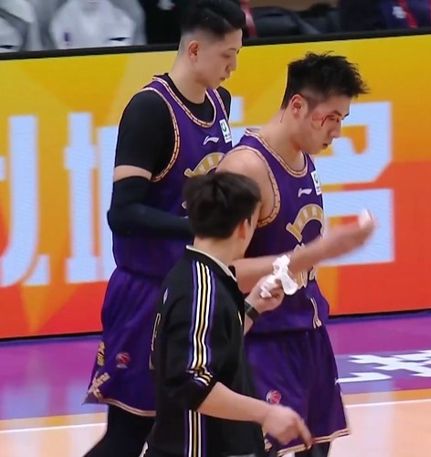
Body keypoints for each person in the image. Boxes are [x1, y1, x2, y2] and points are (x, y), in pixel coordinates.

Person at [84, 1, 246, 455]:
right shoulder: (150, 110)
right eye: (226, 56)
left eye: (237, 55)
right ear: (194, 50)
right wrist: (196, 228)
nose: (233, 67)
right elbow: (123, 213)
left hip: (195, 291)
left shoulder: (220, 103)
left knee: (192, 431)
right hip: (147, 294)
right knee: (129, 432)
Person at [217, 52, 374, 456]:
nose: (337, 130)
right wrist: (315, 253)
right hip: (261, 341)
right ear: (298, 106)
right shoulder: (245, 168)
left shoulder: (303, 157)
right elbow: (217, 271)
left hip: (309, 332)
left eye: (343, 118)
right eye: (332, 117)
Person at [145, 171, 312, 457]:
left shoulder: (195, 275)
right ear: (244, 226)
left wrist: (253, 307)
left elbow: (214, 345)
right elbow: (192, 382)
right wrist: (266, 413)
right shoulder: (201, 290)